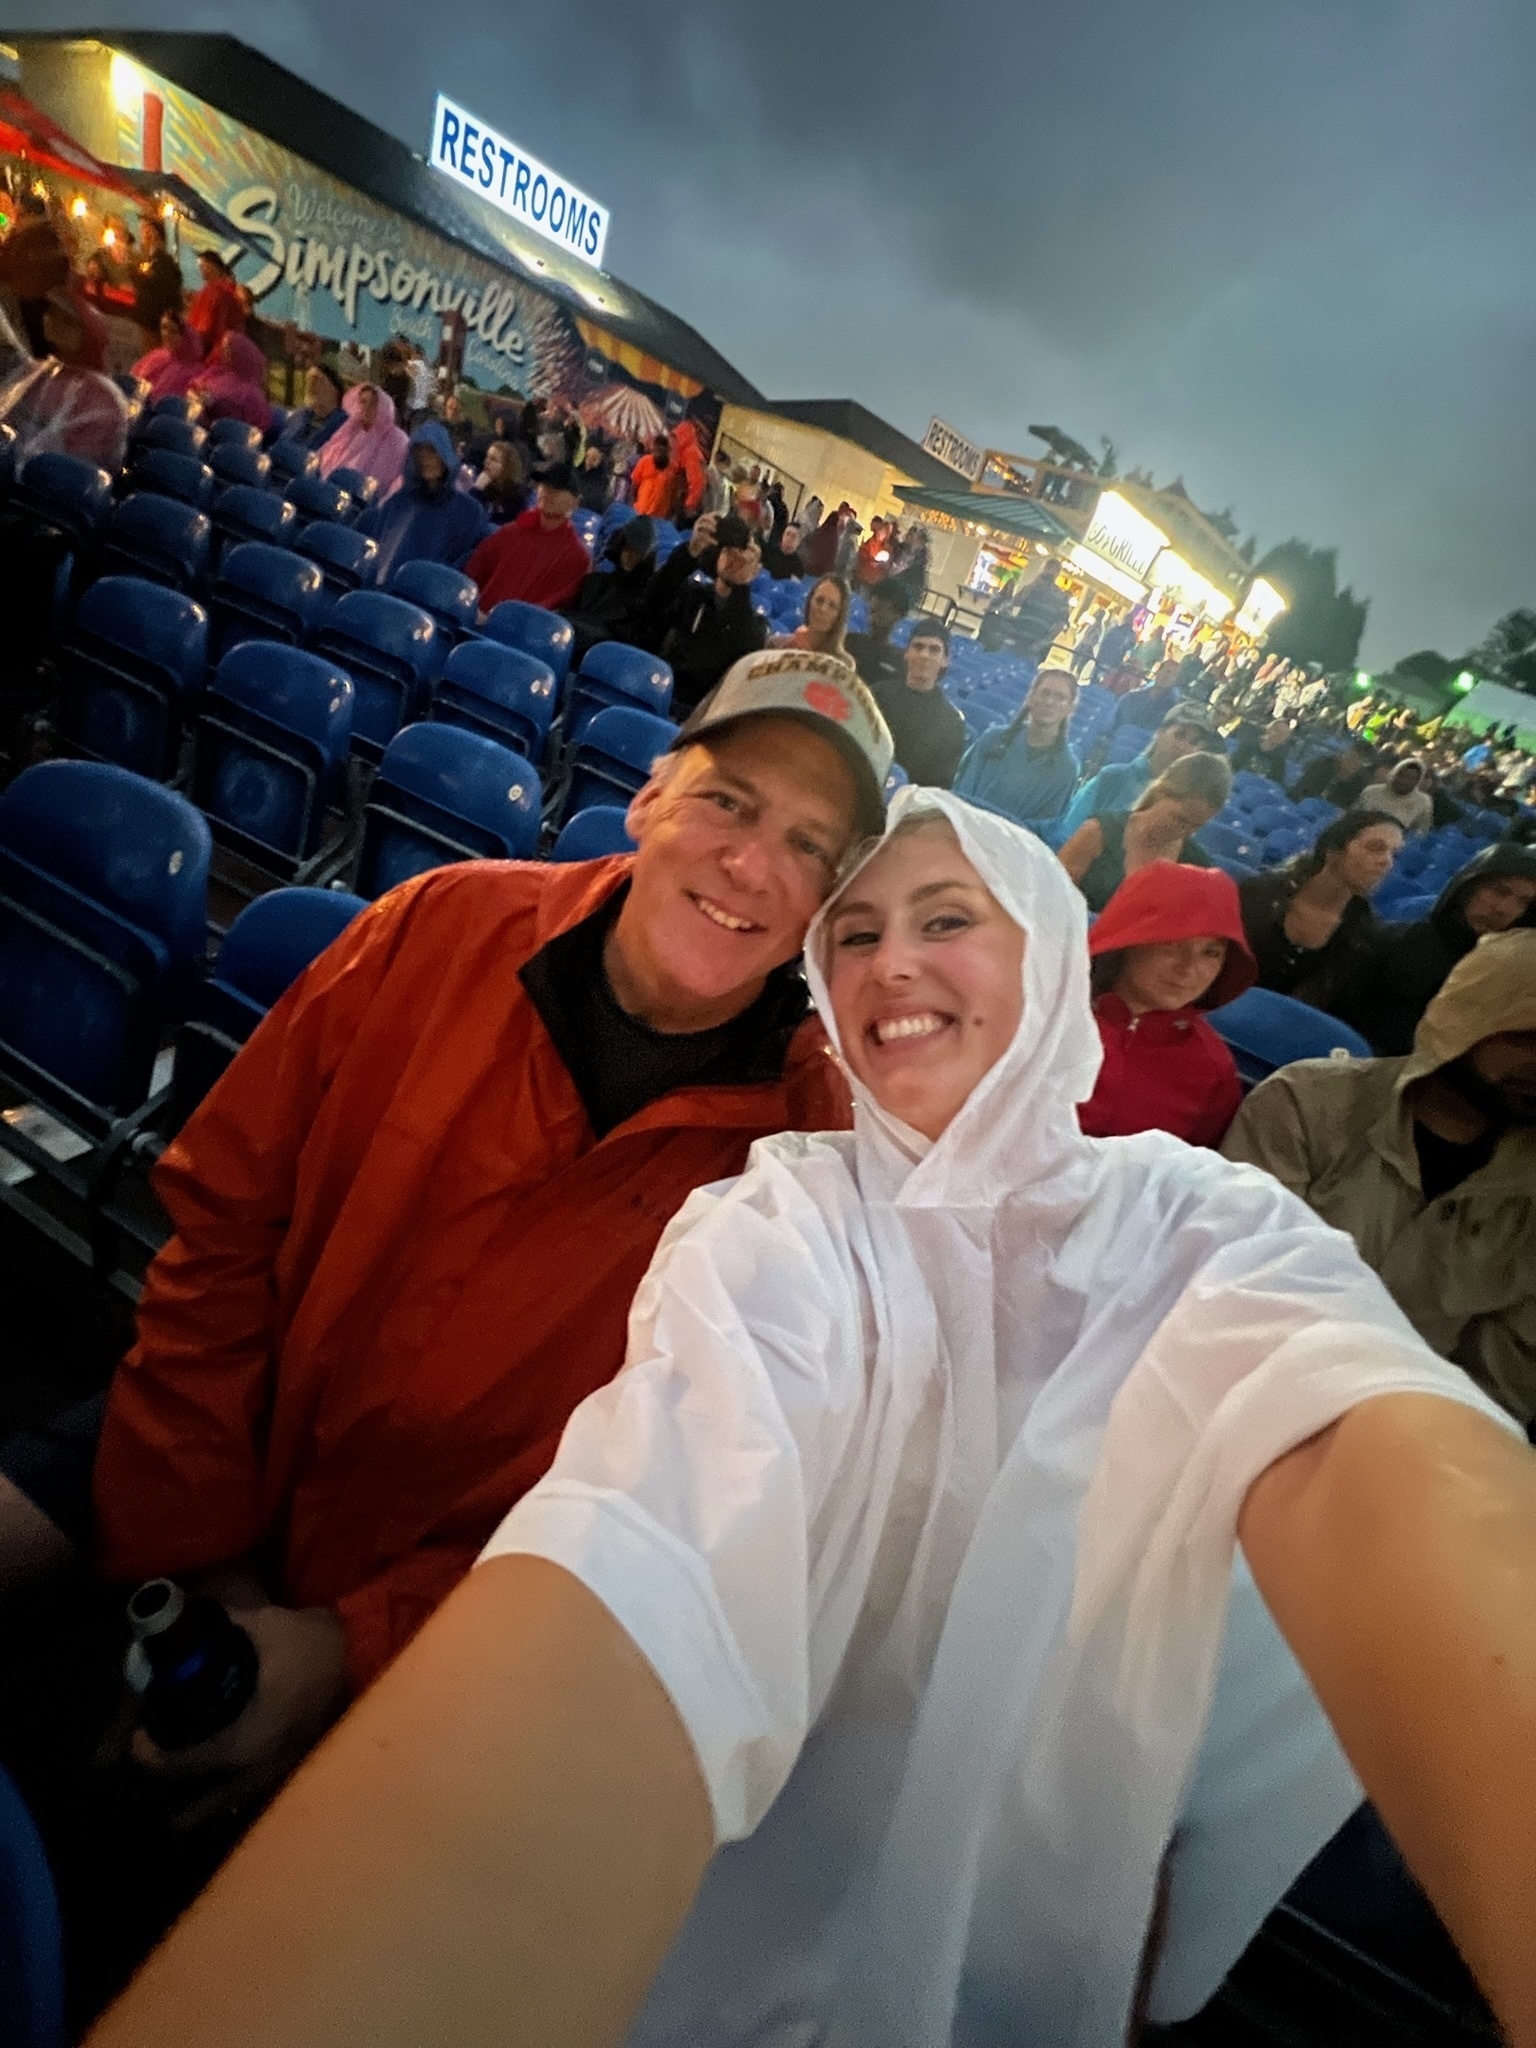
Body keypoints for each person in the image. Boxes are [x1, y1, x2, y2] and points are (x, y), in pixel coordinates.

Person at [86, 790, 1536, 2048]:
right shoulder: (779, 1222)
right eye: (854, 936)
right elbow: (649, 1548)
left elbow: (1361, 1448)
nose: (890, 960)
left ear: (1046, 958)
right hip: (691, 1929)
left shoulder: (1196, 1224)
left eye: (947, 919)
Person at [0, 658, 888, 1981]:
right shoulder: (439, 924)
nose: (755, 863)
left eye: (811, 845)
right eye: (731, 801)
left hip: (451, 1624)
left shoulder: (812, 1162)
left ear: (831, 912)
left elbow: (667, 1526)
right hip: (219, 1431)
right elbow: (225, 1231)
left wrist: (356, 1646)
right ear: (650, 797)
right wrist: (205, 1553)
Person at [1225, 929, 1536, 1425]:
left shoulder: (1527, 1198)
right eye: (1526, 1038)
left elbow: (1497, 1388)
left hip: (1401, 1437)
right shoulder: (1307, 1107)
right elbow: (1237, 1291)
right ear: (1466, 1020)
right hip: (1243, 1390)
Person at [1079, 861, 1252, 1146]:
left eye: (1210, 953)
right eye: (1171, 944)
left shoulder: (1213, 1068)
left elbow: (1196, 1167)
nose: (1189, 968)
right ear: (1128, 939)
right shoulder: (1047, 1012)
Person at [1335, 844, 1536, 1055]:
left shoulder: (1505, 980)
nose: (1505, 909)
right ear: (1468, 887)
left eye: (1524, 902)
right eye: (1499, 891)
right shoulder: (1396, 942)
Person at [1239, 809, 1403, 1012]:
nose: (1387, 862)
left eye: (1395, 854)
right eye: (1376, 848)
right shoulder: (1258, 893)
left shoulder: (1366, 936)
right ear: (1332, 850)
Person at [1058, 751, 1230, 913]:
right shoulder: (1098, 832)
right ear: (1161, 793)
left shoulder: (1196, 865)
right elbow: (1056, 896)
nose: (1183, 831)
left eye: (1196, 826)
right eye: (1179, 819)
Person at [642, 511, 767, 715]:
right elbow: (652, 602)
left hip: (699, 713)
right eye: (727, 550)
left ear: (755, 570)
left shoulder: (753, 625)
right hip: (658, 693)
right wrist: (690, 551)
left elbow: (740, 650)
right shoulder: (692, 594)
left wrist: (741, 586)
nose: (733, 558)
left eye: (741, 554)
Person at [0, 287, 130, 470]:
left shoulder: (101, 397)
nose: (51, 320)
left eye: (66, 320)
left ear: (86, 333)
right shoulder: (41, 371)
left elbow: (74, 467)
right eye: (52, 313)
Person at [355, 421, 491, 582]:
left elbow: (462, 569)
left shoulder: (468, 511)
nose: (425, 459)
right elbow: (378, 555)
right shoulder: (399, 501)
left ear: (446, 454)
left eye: (432, 451)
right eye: (419, 452)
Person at [1059, 702, 1222, 834]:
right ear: (1159, 733)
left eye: (1194, 742)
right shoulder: (1113, 777)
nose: (1183, 747)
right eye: (1180, 735)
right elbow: (1068, 830)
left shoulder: (1182, 804)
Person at [952, 665, 1079, 827]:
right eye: (1045, 693)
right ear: (1031, 697)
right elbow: (962, 788)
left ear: (1070, 708)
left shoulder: (1066, 769)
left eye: (1060, 697)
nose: (1049, 702)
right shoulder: (993, 739)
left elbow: (1047, 825)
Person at [466, 461, 591, 614]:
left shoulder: (577, 557)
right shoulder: (512, 531)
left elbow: (558, 604)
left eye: (556, 489)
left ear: (575, 502)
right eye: (543, 485)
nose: (546, 492)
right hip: (478, 616)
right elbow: (475, 569)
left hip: (522, 626)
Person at [866, 618, 968, 788]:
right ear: (906, 653)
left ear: (945, 660)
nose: (924, 655)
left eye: (934, 650)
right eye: (918, 647)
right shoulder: (876, 695)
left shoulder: (951, 723)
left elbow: (937, 786)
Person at [566, 516, 658, 657]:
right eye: (626, 549)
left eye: (636, 553)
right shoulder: (594, 583)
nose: (629, 557)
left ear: (644, 558)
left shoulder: (644, 601)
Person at [317, 382, 410, 499]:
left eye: (373, 404)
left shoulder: (397, 439)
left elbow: (384, 480)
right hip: (329, 487)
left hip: (359, 499)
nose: (366, 407)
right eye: (363, 402)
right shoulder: (351, 428)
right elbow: (328, 451)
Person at [187, 330, 271, 435]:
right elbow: (193, 386)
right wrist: (198, 397)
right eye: (224, 348)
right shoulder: (217, 372)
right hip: (196, 426)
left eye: (228, 349)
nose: (223, 352)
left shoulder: (251, 392)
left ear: (241, 354)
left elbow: (251, 429)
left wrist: (213, 404)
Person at [842, 579, 908, 693]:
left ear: (897, 616)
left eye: (881, 611)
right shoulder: (850, 643)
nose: (873, 618)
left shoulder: (901, 661)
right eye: (872, 611)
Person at [129, 308, 201, 403]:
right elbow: (133, 376)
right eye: (164, 328)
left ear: (185, 337)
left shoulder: (194, 371)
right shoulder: (156, 355)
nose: (166, 334)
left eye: (173, 332)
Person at [183, 248, 245, 355]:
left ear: (211, 266)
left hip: (212, 347)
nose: (200, 271)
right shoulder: (230, 289)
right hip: (229, 346)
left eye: (202, 266)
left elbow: (205, 325)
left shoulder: (214, 291)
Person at [278, 361, 348, 455]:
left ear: (335, 390)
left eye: (318, 380)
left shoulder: (344, 425)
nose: (311, 385)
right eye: (309, 380)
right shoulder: (299, 416)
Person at [771, 574, 849, 656]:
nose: (823, 609)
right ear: (809, 602)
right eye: (819, 600)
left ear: (840, 615)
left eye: (832, 606)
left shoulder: (842, 662)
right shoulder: (777, 646)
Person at [1293, 738, 1377, 810]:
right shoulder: (1324, 764)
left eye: (1358, 760)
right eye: (1352, 756)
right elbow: (1300, 789)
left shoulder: (1357, 785)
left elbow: (1343, 810)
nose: (1352, 762)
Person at [1361, 757, 1435, 835]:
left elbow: (1421, 831)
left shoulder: (1423, 802)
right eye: (1403, 776)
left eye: (1413, 779)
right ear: (1395, 774)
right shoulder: (1371, 792)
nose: (1406, 782)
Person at [1114, 657, 1186, 733]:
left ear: (1175, 681)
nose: (1168, 677)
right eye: (1167, 671)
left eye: (1173, 675)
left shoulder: (1171, 709)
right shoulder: (1133, 697)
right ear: (1157, 672)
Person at [473, 439, 532, 527]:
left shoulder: (517, 495)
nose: (487, 462)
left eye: (493, 459)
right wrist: (476, 489)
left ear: (505, 466)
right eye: (487, 457)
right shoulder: (482, 487)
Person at [630, 434, 686, 522]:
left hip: (659, 518)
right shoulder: (645, 461)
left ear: (667, 451)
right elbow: (634, 484)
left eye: (662, 450)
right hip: (639, 512)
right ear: (653, 449)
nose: (659, 453)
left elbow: (674, 495)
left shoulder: (674, 469)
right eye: (657, 449)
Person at [1232, 717, 1296, 780]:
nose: (1279, 735)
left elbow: (1275, 782)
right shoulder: (1249, 745)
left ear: (1285, 740)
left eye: (1283, 734)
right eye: (1277, 730)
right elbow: (1233, 766)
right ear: (1269, 729)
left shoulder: (1279, 761)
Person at [576, 443, 612, 515]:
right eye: (588, 457)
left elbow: (598, 496)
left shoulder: (601, 476)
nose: (590, 460)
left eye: (593, 458)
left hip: (592, 510)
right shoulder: (577, 472)